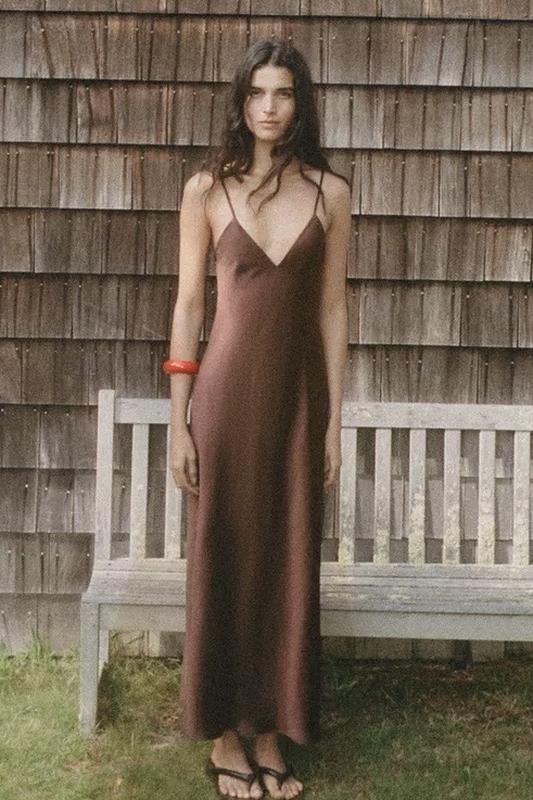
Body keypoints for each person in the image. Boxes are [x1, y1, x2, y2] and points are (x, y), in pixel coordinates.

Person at [165, 37, 351, 800]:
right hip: (223, 401)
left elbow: (332, 310)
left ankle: (270, 731)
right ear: (240, 102)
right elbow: (188, 306)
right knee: (225, 556)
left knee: (287, 558)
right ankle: (223, 738)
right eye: (256, 93)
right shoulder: (206, 189)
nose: (269, 107)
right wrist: (178, 421)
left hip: (297, 403)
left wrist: (333, 422)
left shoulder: (330, 193)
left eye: (283, 93)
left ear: (300, 102)